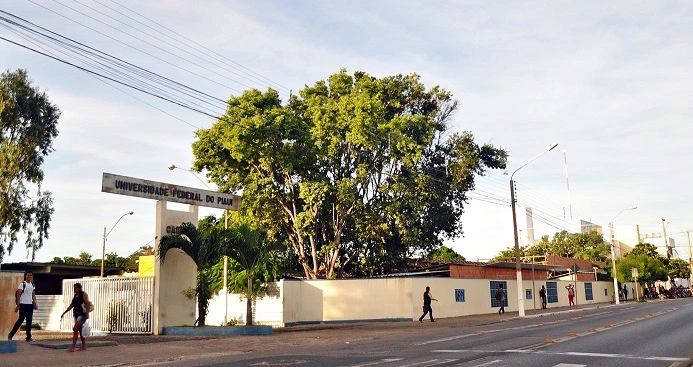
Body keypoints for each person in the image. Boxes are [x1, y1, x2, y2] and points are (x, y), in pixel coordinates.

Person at [60, 283, 91, 352]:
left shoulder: (83, 294)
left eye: (75, 288)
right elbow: (71, 305)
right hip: (76, 315)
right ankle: (84, 346)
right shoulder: (75, 296)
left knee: (75, 328)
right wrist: (64, 313)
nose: (74, 289)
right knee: (79, 330)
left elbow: (88, 303)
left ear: (79, 288)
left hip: (82, 315)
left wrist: (87, 313)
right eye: (74, 288)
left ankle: (73, 346)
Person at [8, 271, 37, 342]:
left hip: (30, 305)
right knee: (20, 320)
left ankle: (28, 337)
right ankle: (11, 334)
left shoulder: (32, 285)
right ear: (25, 276)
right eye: (28, 275)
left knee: (29, 321)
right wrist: (18, 305)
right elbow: (18, 295)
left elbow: (33, 294)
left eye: (30, 275)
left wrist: (35, 302)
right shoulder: (22, 284)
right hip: (23, 304)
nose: (29, 277)